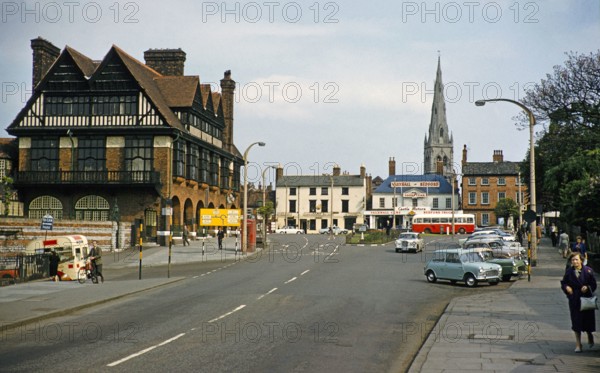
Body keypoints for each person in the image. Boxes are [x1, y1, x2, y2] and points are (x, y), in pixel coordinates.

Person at [560, 252, 597, 352]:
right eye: (573, 260)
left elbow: (593, 284)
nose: (575, 262)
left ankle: (590, 335)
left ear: (581, 260)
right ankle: (578, 344)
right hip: (575, 300)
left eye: (576, 259)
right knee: (576, 322)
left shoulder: (588, 271)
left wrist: (588, 287)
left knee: (588, 321)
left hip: (586, 300)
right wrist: (567, 287)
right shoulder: (569, 272)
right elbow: (564, 283)